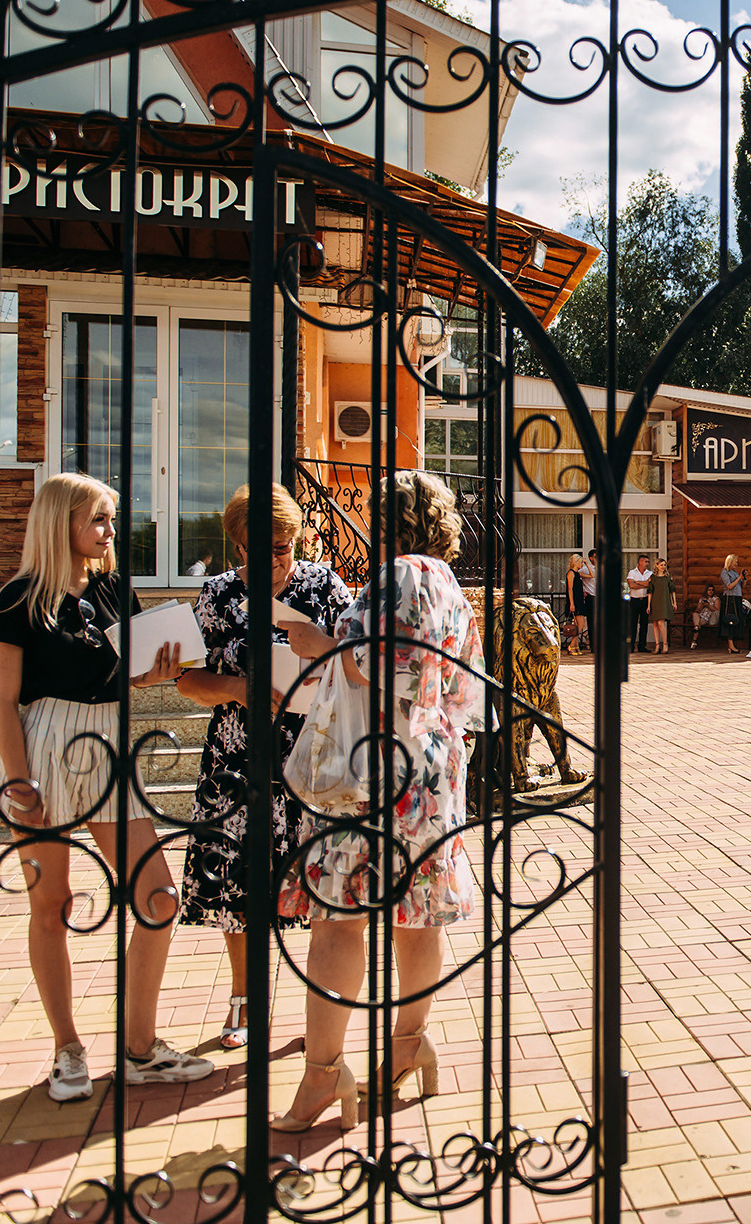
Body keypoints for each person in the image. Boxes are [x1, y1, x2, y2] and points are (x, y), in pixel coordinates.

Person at [272, 470, 484, 1133]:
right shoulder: (452, 586)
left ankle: (323, 1074)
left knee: (340, 919)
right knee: (418, 916)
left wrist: (317, 646)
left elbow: (369, 663)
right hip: (434, 769)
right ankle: (406, 1044)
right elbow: (462, 688)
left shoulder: (392, 575)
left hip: (373, 770)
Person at [0, 472, 206, 1102]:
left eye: (111, 518)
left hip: (108, 741)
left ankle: (140, 1050)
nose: (110, 532)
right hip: (44, 743)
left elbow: (124, 672)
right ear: (61, 523)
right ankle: (67, 1049)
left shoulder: (115, 588)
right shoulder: (18, 599)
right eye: (99, 519)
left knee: (158, 896)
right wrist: (20, 779)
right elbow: (4, 700)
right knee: (51, 904)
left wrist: (156, 673)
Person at [177, 484, 351, 1051]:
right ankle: (246, 1003)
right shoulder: (218, 596)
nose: (274, 560)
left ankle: (318, 1007)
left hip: (312, 763)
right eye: (259, 549)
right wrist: (238, 687)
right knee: (237, 887)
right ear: (236, 546)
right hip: (237, 765)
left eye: (282, 547)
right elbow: (188, 679)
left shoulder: (324, 587)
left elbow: (353, 666)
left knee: (319, 886)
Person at [719, 555, 745, 654]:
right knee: (730, 621)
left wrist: (744, 578)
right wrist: (739, 578)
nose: (736, 564)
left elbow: (742, 586)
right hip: (729, 599)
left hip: (737, 598)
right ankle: (730, 645)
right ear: (730, 562)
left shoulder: (734, 572)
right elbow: (729, 586)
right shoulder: (724, 572)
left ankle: (733, 644)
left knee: (736, 621)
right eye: (735, 562)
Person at [627, 554, 653, 652]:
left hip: (645, 600)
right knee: (632, 624)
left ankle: (642, 646)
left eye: (648, 562)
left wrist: (637, 582)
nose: (647, 564)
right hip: (634, 600)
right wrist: (644, 584)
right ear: (640, 562)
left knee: (644, 624)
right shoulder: (632, 572)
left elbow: (649, 584)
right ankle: (630, 646)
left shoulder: (649, 573)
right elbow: (631, 585)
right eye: (645, 561)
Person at [648, 558, 674, 653]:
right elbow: (650, 592)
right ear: (656, 565)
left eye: (664, 565)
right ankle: (657, 645)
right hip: (655, 601)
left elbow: (672, 590)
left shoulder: (668, 576)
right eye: (661, 565)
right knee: (655, 623)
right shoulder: (653, 577)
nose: (663, 567)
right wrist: (648, 605)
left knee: (661, 623)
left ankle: (665, 644)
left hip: (664, 601)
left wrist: (674, 602)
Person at [565, 553, 589, 655]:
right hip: (575, 601)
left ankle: (575, 646)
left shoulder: (578, 574)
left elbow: (592, 575)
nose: (582, 565)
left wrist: (587, 565)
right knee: (580, 625)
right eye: (580, 562)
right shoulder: (570, 573)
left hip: (580, 600)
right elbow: (570, 589)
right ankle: (571, 646)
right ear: (576, 562)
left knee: (580, 625)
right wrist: (571, 603)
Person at [689, 582, 718, 649]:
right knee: (695, 614)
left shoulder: (715, 599)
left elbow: (717, 610)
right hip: (700, 615)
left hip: (708, 617)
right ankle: (695, 631)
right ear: (706, 591)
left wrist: (708, 605)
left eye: (712, 590)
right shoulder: (702, 599)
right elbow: (697, 610)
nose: (710, 592)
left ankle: (694, 641)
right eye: (709, 590)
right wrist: (701, 606)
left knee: (697, 624)